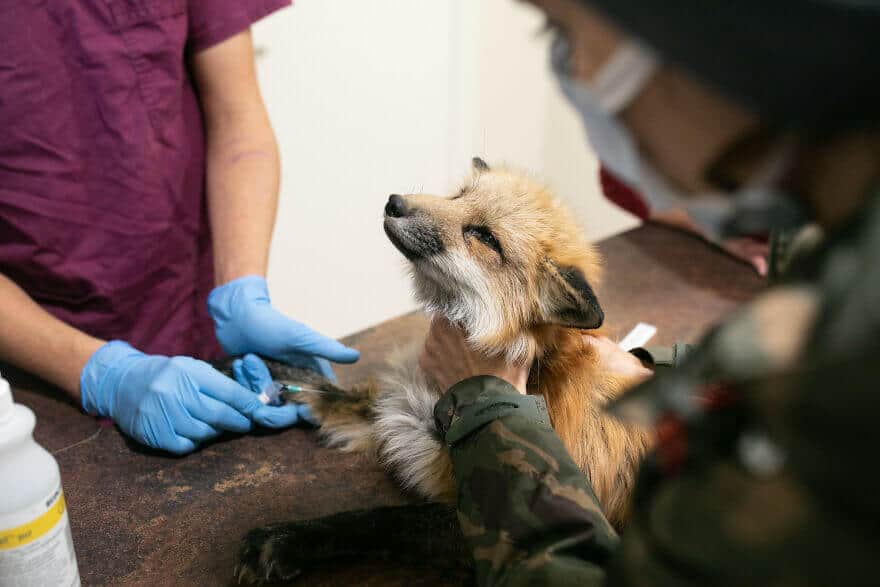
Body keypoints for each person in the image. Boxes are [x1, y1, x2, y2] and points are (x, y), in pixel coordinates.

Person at [419, 0, 880, 584]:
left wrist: (492, 417)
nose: (576, 77)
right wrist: (676, 373)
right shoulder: (840, 229)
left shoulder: (850, 396)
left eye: (563, 32)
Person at [0, 1, 359, 455]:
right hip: (34, 366)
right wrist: (102, 374)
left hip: (191, 313)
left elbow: (238, 121)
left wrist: (240, 291)